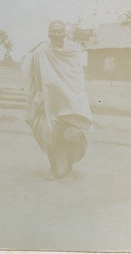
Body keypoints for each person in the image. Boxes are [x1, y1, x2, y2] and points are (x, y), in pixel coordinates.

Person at [22, 20, 93, 182]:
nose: (56, 34)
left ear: (64, 34)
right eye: (53, 31)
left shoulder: (72, 52)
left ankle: (69, 170)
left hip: (69, 106)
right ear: (48, 33)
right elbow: (28, 66)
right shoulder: (42, 51)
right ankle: (53, 169)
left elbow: (77, 80)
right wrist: (36, 47)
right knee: (47, 134)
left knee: (72, 134)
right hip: (48, 104)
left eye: (59, 31)